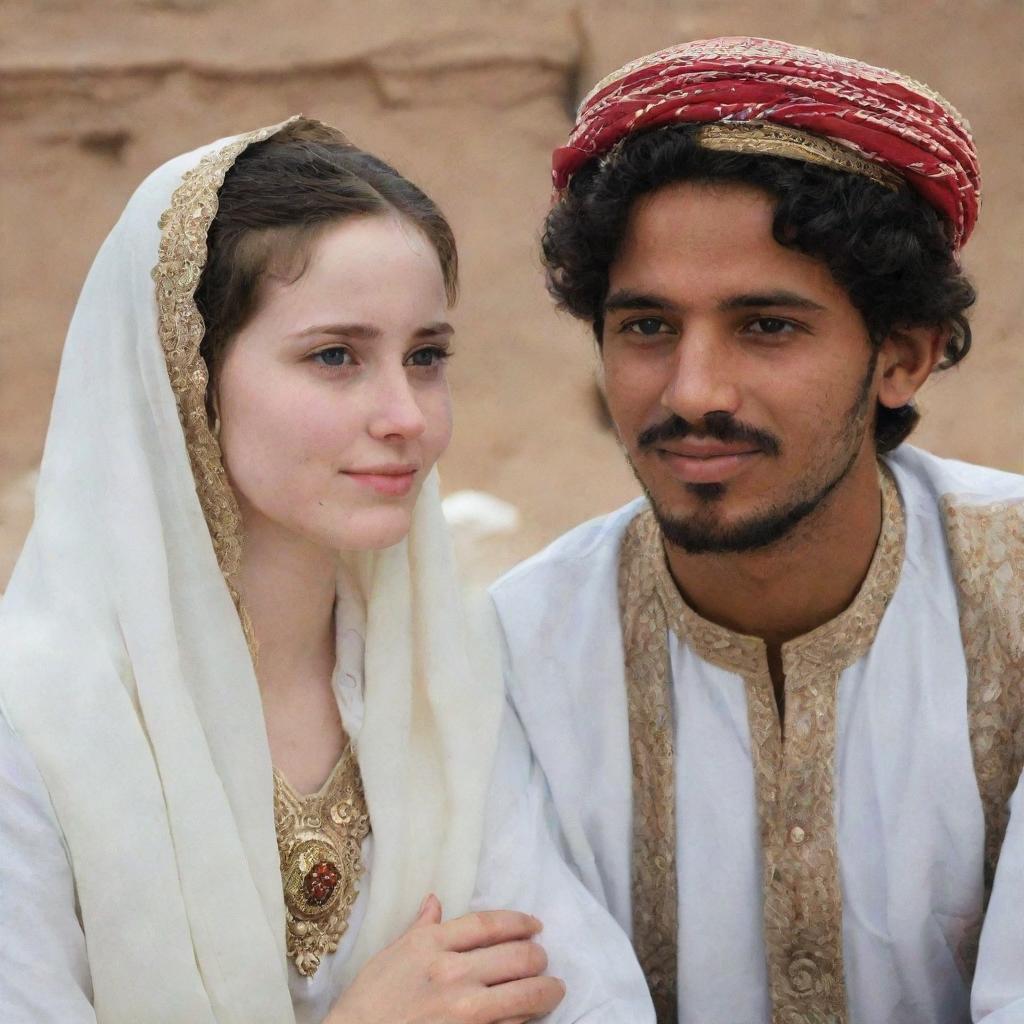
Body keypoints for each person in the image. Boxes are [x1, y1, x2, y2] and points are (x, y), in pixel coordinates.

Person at [0, 116, 655, 1024]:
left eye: (425, 356)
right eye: (336, 356)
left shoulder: (444, 678)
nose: (405, 415)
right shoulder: (31, 724)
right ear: (185, 377)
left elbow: (583, 994)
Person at [489, 37, 1024, 1024]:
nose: (693, 392)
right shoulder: (513, 660)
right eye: (646, 326)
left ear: (900, 359)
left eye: (766, 326)